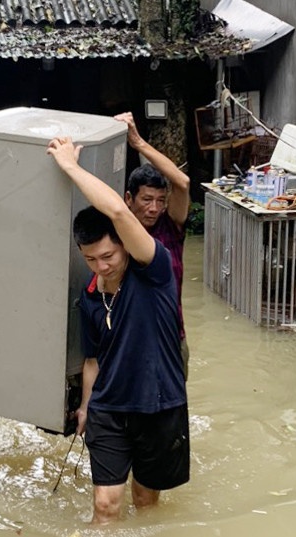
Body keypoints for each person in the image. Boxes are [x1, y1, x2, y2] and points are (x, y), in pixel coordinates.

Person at [47, 136, 189, 524]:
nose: (101, 266)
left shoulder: (154, 269)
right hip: (110, 408)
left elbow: (119, 213)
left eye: (108, 256)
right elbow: (93, 359)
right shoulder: (91, 295)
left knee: (145, 502)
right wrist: (85, 407)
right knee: (106, 507)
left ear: (126, 246)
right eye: (90, 259)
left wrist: (71, 167)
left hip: (157, 404)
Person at [114, 112, 191, 379]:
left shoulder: (170, 228)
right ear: (128, 198)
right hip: (131, 344)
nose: (154, 208)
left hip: (171, 339)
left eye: (160, 200)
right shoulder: (117, 233)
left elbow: (182, 182)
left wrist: (138, 142)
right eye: (147, 199)